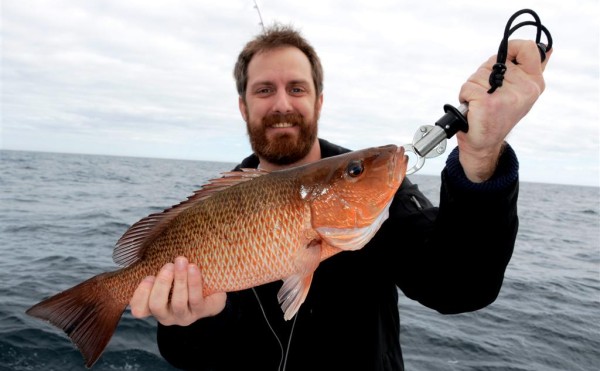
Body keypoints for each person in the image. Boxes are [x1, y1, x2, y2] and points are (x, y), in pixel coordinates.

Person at [129, 23, 551, 371]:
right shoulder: (216, 209)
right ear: (243, 106)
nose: (282, 104)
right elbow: (185, 355)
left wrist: (480, 155)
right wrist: (194, 322)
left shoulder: (380, 196)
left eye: (297, 88)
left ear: (318, 101)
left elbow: (460, 287)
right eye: (263, 90)